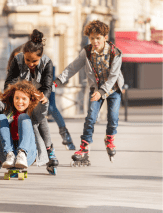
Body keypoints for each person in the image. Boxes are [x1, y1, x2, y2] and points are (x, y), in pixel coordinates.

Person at [53, 20, 124, 165]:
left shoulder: (115, 53)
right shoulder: (87, 52)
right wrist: (57, 81)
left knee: (113, 117)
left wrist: (102, 92)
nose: (95, 41)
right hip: (96, 88)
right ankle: (84, 148)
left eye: (98, 38)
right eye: (92, 38)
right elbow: (72, 68)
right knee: (91, 117)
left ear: (105, 37)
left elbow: (113, 77)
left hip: (113, 88)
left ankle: (109, 139)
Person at [4, 29, 58, 175]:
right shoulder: (18, 59)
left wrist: (44, 96)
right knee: (19, 121)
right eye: (27, 60)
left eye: (34, 61)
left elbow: (47, 85)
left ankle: (49, 151)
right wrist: (12, 93)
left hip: (38, 97)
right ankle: (8, 153)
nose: (30, 64)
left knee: (39, 118)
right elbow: (9, 80)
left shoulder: (47, 63)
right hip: (21, 96)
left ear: (41, 57)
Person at [0, 72, 49, 169]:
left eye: (24, 99)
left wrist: (44, 102)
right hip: (6, 156)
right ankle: (10, 154)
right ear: (12, 98)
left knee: (23, 117)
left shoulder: (33, 113)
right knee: (0, 117)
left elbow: (41, 112)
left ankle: (22, 153)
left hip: (28, 154)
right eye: (17, 98)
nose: (20, 102)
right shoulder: (6, 109)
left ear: (30, 100)